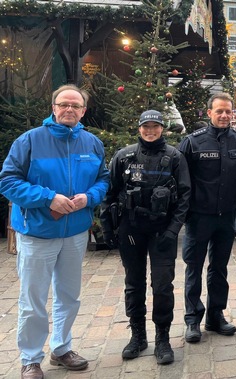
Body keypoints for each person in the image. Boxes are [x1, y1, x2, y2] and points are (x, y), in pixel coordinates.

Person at [0, 85, 109, 379]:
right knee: (33, 299)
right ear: (54, 107)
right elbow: (8, 182)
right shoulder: (30, 141)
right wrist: (48, 198)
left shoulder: (92, 143)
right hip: (37, 233)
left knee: (69, 295)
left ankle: (61, 348)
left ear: (84, 111)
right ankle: (30, 359)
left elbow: (103, 180)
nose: (69, 109)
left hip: (75, 233)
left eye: (76, 106)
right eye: (64, 104)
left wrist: (90, 197)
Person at [99, 110, 191, 364]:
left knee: (162, 285)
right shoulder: (124, 156)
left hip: (162, 230)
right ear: (139, 128)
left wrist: (173, 230)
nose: (150, 131)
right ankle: (138, 335)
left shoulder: (174, 157)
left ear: (162, 128)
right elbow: (110, 193)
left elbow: (184, 197)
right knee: (134, 283)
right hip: (131, 229)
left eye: (155, 126)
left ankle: (163, 337)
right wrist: (108, 227)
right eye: (146, 126)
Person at [178, 93, 236, 343]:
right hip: (199, 216)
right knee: (194, 268)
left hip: (226, 216)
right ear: (208, 113)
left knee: (219, 268)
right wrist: (184, 214)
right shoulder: (192, 143)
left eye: (228, 111)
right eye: (219, 111)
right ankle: (192, 320)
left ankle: (216, 315)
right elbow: (180, 181)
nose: (224, 115)